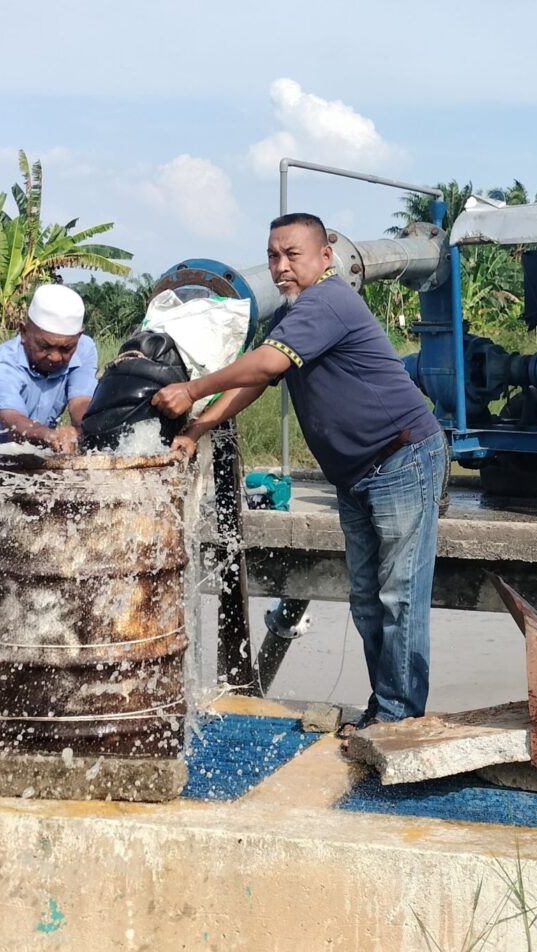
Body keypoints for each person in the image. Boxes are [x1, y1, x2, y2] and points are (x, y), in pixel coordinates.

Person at [153, 212, 445, 728]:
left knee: (398, 595)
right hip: (357, 474)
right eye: (273, 256)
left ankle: (398, 718)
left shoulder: (328, 301)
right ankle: (386, 708)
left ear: (325, 258)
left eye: (293, 255)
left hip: (401, 460)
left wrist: (192, 391)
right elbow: (259, 379)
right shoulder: (291, 316)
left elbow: (267, 365)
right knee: (367, 600)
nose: (281, 266)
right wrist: (198, 430)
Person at [0, 284, 96, 453]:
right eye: (44, 346)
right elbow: (15, 426)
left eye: (66, 349)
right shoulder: (0, 366)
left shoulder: (84, 349)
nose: (55, 357)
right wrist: (52, 436)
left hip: (22, 454)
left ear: (79, 338)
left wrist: (83, 430)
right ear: (23, 331)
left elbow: (81, 402)